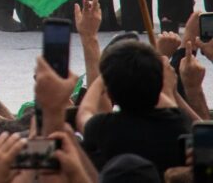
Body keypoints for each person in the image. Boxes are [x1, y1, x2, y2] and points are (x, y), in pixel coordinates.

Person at [77, 40, 189, 173]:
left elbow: (84, 112)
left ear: (110, 92)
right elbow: (166, 97)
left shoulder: (104, 127)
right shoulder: (176, 122)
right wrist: (156, 62)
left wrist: (105, 76)